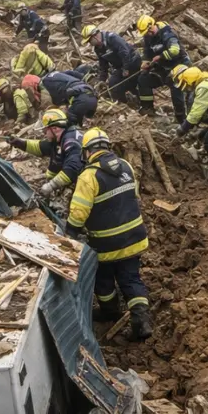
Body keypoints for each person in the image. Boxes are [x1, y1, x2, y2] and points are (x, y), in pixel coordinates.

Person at [67, 127, 152, 341]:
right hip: (135, 239)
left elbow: (78, 213)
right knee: (131, 278)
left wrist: (70, 233)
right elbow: (133, 196)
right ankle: (142, 322)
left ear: (87, 152)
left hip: (107, 245)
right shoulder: (126, 166)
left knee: (103, 280)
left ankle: (109, 312)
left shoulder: (88, 176)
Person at [9, 108, 84, 197]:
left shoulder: (71, 143)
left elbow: (72, 169)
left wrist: (51, 185)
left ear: (54, 128)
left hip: (80, 188)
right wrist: (19, 142)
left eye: (45, 130)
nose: (45, 134)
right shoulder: (61, 138)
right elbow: (40, 147)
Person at [137, 15, 189, 122]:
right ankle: (148, 109)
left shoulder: (167, 33)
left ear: (151, 27)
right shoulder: (148, 37)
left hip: (179, 65)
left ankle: (181, 118)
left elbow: (175, 51)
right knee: (144, 79)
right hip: (163, 67)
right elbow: (147, 52)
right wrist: (145, 61)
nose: (146, 35)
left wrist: (161, 56)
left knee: (175, 86)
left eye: (147, 32)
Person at [84, 24, 142, 102]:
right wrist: (102, 79)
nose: (90, 43)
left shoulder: (112, 38)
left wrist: (126, 68)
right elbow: (103, 65)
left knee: (131, 82)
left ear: (95, 36)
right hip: (120, 67)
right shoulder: (98, 49)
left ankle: (142, 102)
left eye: (89, 40)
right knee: (113, 83)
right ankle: (123, 104)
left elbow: (125, 52)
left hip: (132, 61)